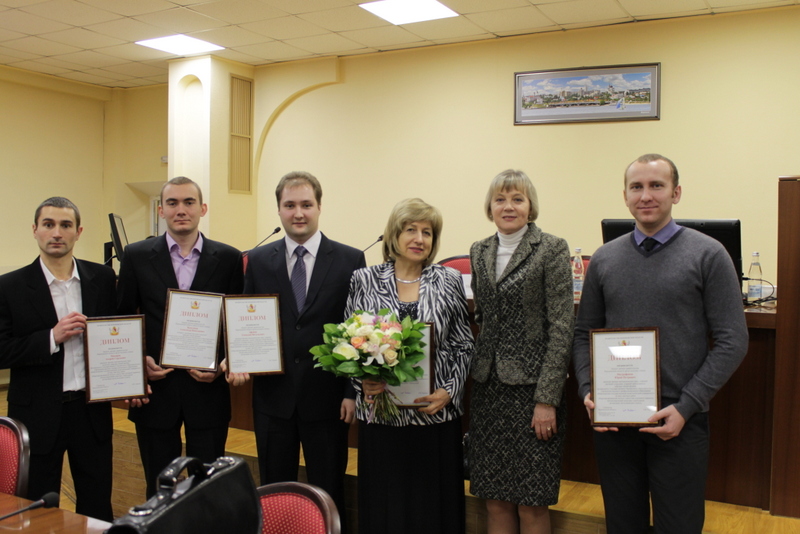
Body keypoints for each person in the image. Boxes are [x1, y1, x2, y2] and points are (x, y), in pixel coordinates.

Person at [572, 154, 749, 534]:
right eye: (636, 187)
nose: (646, 195)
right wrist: (589, 390)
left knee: (679, 525)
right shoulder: (604, 258)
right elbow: (584, 332)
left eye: (657, 185)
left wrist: (686, 407)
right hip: (615, 421)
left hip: (680, 419)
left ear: (676, 193)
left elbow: (733, 340)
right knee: (623, 524)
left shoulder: (708, 254)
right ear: (625, 196)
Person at [228, 171, 365, 524]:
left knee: (329, 491)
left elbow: (357, 331)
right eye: (290, 205)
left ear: (319, 207)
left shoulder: (350, 260)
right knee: (275, 492)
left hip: (328, 400)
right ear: (279, 210)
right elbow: (246, 317)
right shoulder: (258, 260)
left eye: (306, 204)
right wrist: (238, 357)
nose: (298, 213)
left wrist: (351, 392)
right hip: (273, 400)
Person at [345, 197, 474, 534]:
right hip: (382, 414)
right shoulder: (364, 279)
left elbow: (463, 344)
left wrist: (449, 391)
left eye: (427, 232)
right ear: (394, 235)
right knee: (385, 506)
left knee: (432, 508)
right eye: (411, 230)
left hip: (435, 416)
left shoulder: (448, 279)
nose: (419, 239)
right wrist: (363, 382)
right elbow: (349, 342)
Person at [117, 176, 243, 498]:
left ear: (202, 208)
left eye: (189, 202)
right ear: (161, 210)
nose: (181, 210)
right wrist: (137, 364)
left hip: (208, 390)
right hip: (156, 392)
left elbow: (236, 323)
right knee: (159, 489)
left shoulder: (229, 258)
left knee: (208, 489)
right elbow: (123, 318)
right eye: (172, 203)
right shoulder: (135, 255)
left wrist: (222, 362)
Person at [467, 170, 574, 534]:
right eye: (500, 199)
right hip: (488, 390)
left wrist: (547, 400)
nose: (508, 206)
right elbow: (482, 314)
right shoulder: (479, 251)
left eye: (517, 199)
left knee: (531, 501)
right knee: (494, 499)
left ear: (530, 206)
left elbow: (561, 328)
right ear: (490, 207)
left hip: (533, 393)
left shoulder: (551, 248)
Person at [0, 197, 114, 520]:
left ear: (78, 232)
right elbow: (2, 349)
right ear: (35, 230)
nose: (57, 233)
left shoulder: (103, 279)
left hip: (91, 411)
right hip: (37, 413)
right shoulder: (9, 286)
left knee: (97, 503)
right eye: (48, 224)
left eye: (65, 225)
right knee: (37, 506)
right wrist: (52, 337)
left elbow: (117, 335)